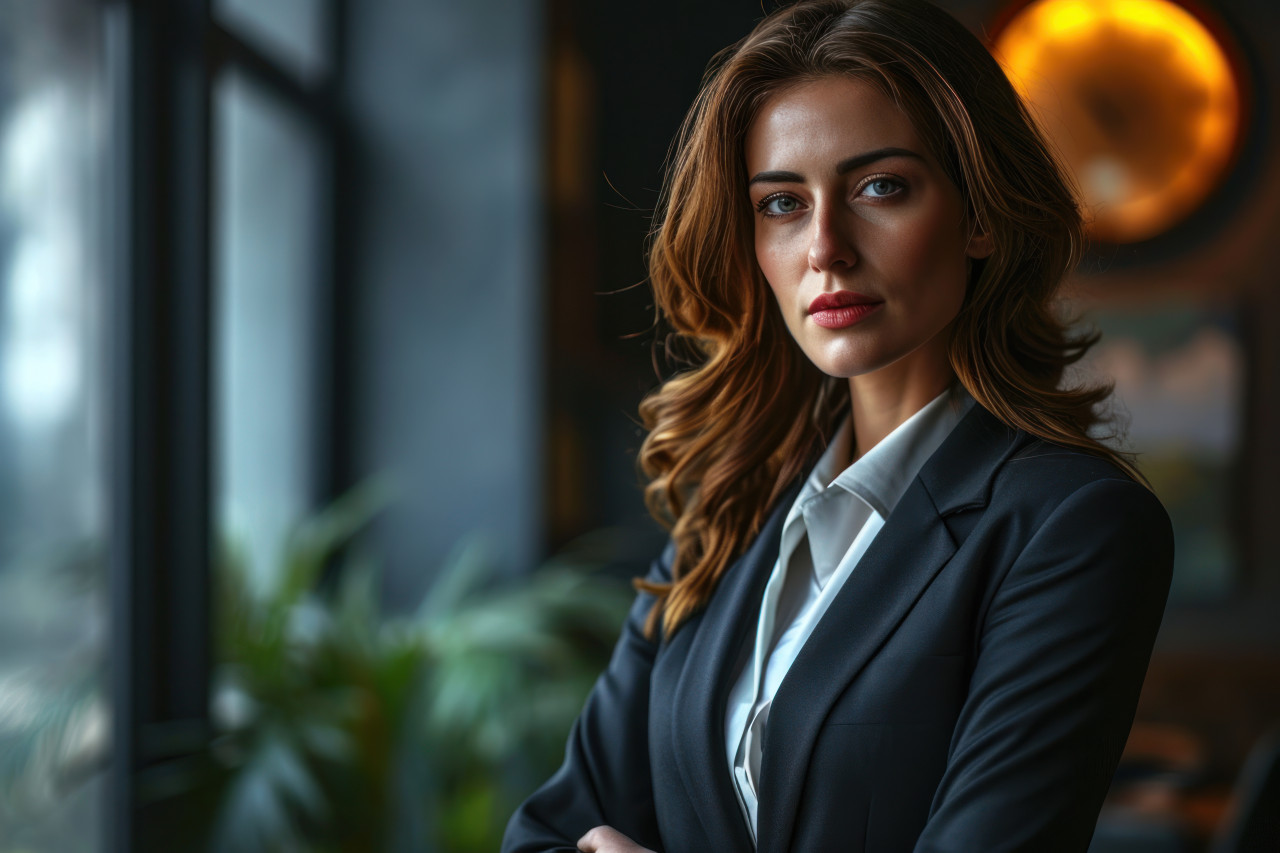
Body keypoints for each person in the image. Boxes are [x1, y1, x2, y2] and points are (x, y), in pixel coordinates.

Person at [503, 0, 1174, 850]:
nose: (825, 245)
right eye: (782, 203)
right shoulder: (726, 517)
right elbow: (546, 832)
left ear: (979, 214)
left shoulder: (1073, 525)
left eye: (879, 187)